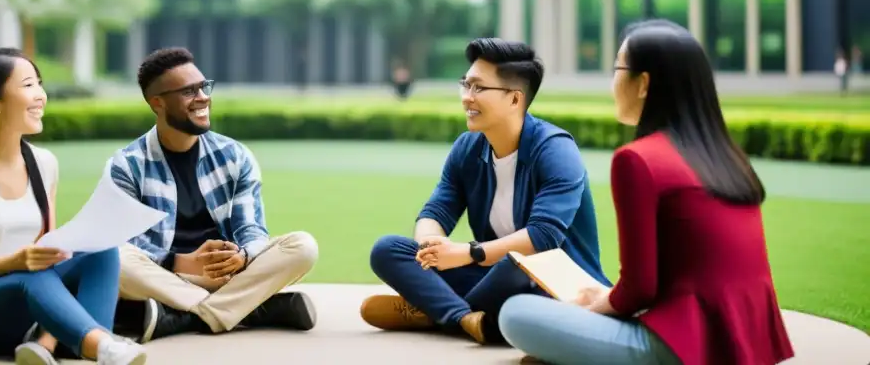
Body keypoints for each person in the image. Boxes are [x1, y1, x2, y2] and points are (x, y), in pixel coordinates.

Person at [498, 20, 795, 365]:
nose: (612, 83)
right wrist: (610, 296)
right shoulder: (727, 156)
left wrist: (600, 305)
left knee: (516, 313)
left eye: (617, 69)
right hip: (746, 343)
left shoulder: (637, 160)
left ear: (643, 84)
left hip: (682, 348)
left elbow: (641, 288)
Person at [360, 38, 608, 345]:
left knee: (515, 265)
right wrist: (430, 248)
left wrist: (468, 252)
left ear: (515, 100)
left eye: (478, 88)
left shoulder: (555, 150)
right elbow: (436, 211)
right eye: (465, 84)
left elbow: (543, 238)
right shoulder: (468, 148)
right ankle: (467, 318)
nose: (467, 97)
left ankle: (433, 309)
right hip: (490, 277)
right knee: (388, 249)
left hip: (554, 284)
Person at [0, 48, 146, 365]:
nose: (40, 96)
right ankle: (101, 347)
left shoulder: (44, 163)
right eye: (28, 85)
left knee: (102, 252)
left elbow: (47, 247)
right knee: (31, 275)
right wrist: (19, 261)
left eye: (39, 84)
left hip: (27, 294)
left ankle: (48, 344)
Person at [109, 47, 319, 342]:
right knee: (113, 258)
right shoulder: (127, 164)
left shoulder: (234, 155)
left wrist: (244, 257)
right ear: (158, 103)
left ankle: (179, 318)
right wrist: (180, 261)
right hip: (166, 277)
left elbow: (251, 228)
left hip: (228, 276)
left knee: (303, 246)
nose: (203, 97)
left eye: (204, 86)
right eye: (188, 91)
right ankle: (253, 309)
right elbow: (127, 242)